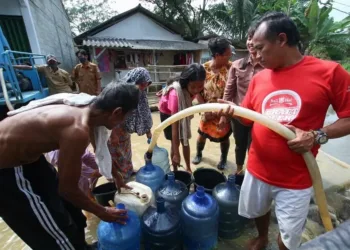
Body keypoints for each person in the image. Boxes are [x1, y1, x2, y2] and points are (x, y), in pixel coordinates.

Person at [219, 12, 350, 250]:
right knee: (258, 211)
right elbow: (248, 119)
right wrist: (232, 113)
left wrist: (316, 135)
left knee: (289, 237)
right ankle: (261, 237)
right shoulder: (260, 78)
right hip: (257, 169)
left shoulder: (330, 73)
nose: (255, 55)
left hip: (295, 179)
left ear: (281, 39)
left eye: (260, 48)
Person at [0, 83, 139, 250]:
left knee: (74, 214)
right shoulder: (76, 129)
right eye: (125, 117)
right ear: (116, 112)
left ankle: (80, 245)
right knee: (53, 238)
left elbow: (100, 150)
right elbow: (67, 189)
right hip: (7, 170)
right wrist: (102, 212)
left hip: (32, 160)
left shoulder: (88, 106)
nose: (122, 123)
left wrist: (116, 176)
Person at [221, 25, 264, 174]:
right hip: (238, 115)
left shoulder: (270, 68)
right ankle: (239, 169)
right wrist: (224, 115)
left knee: (254, 147)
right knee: (239, 144)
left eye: (255, 38)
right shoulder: (237, 65)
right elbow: (229, 90)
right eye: (249, 38)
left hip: (259, 118)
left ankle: (252, 172)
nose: (251, 42)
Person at [192, 37, 233, 170]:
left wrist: (225, 115)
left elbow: (233, 92)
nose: (230, 55)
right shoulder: (203, 69)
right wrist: (205, 108)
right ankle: (198, 153)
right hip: (207, 108)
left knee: (224, 136)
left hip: (224, 111)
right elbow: (197, 90)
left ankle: (223, 159)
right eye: (227, 53)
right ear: (217, 55)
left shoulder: (231, 69)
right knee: (202, 133)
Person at [158, 63, 206, 172]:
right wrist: (176, 153)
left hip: (182, 110)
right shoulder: (176, 95)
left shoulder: (195, 87)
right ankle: (174, 169)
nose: (196, 90)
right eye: (193, 87)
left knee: (185, 139)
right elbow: (175, 128)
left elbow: (198, 96)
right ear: (186, 83)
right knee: (174, 142)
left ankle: (188, 168)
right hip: (168, 112)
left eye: (200, 86)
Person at [108, 67, 153, 180]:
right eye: (142, 84)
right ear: (134, 80)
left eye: (146, 85)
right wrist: (113, 133)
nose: (143, 88)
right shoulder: (119, 91)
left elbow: (145, 111)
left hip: (125, 127)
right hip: (113, 125)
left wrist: (149, 132)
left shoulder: (140, 92)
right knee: (116, 153)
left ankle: (127, 171)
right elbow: (109, 113)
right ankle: (117, 178)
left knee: (126, 151)